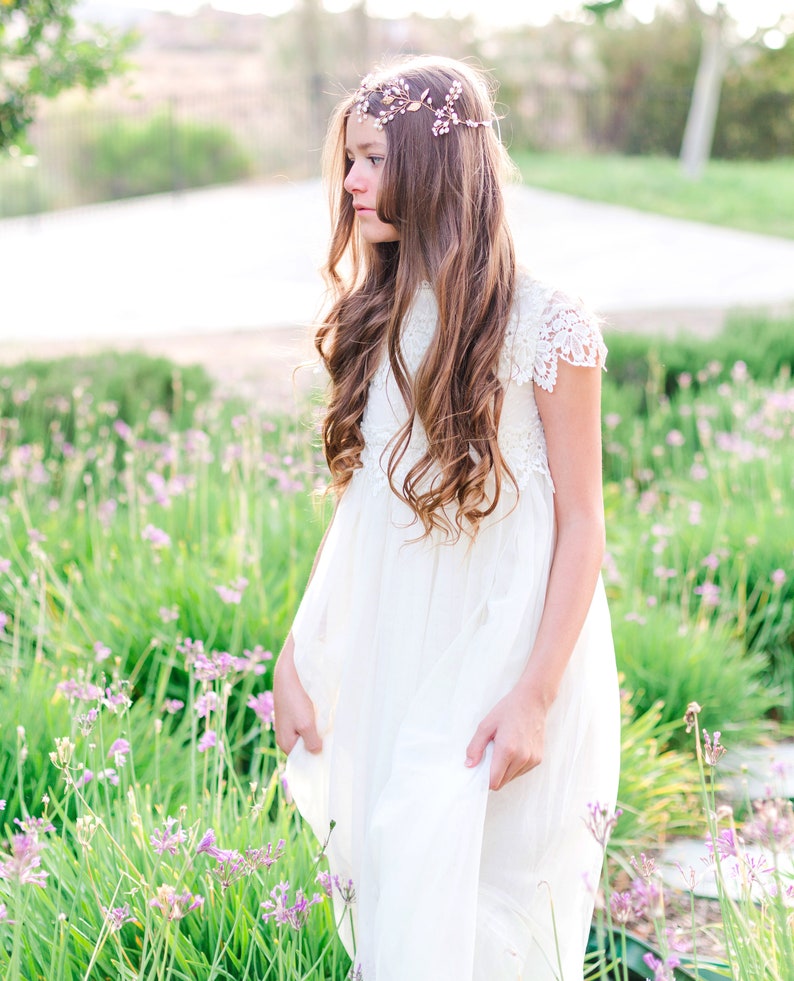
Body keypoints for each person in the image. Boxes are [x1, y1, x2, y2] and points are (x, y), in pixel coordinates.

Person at [273, 55, 620, 981]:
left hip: (504, 648)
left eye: (373, 159)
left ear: (437, 166)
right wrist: (300, 648)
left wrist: (535, 694)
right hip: (399, 641)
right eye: (349, 159)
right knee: (396, 878)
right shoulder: (375, 316)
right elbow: (363, 515)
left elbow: (582, 523)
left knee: (479, 896)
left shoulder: (549, 324)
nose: (349, 182)